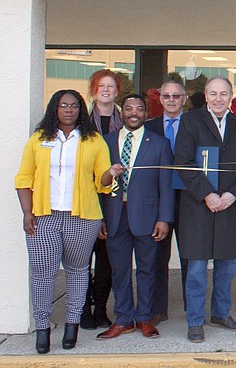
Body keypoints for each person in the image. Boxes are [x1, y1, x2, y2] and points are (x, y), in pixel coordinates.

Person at [14, 90, 117, 354]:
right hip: (44, 217)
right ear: (54, 109)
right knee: (42, 274)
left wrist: (110, 173)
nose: (68, 110)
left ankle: (73, 324)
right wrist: (27, 212)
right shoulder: (39, 139)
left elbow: (102, 184)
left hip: (82, 218)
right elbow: (24, 177)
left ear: (81, 110)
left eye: (74, 106)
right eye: (63, 105)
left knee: (77, 270)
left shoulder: (93, 141)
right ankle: (42, 328)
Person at [173, 76, 236, 344]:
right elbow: (183, 162)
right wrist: (207, 194)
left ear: (231, 96)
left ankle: (221, 313)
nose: (218, 98)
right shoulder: (190, 121)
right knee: (196, 267)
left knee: (227, 265)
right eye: (213, 93)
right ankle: (195, 321)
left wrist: (232, 194)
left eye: (223, 93)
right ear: (205, 96)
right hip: (198, 205)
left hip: (229, 205)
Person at [97, 94, 174, 340]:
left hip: (149, 216)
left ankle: (143, 318)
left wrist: (164, 218)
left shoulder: (160, 143)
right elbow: (97, 182)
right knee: (119, 270)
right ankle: (122, 319)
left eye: (138, 109)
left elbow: (166, 184)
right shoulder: (106, 142)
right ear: (122, 113)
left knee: (147, 269)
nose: (133, 113)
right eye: (128, 108)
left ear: (145, 113)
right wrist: (99, 218)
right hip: (114, 214)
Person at [81, 69, 123, 330]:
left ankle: (101, 308)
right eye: (101, 86)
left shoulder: (126, 121)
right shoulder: (81, 121)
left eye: (111, 86)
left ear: (118, 91)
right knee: (82, 259)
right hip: (84, 198)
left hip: (114, 200)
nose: (106, 90)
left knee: (107, 260)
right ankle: (82, 308)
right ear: (93, 90)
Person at [144, 80, 188, 324]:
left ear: (184, 98)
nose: (171, 100)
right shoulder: (149, 127)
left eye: (176, 96)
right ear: (160, 99)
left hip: (187, 196)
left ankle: (192, 308)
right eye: (167, 96)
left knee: (190, 255)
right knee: (157, 255)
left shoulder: (195, 124)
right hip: (158, 199)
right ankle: (157, 308)